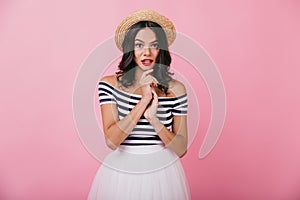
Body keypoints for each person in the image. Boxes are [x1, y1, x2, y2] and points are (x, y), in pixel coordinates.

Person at [88, 9, 191, 200]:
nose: (147, 52)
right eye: (139, 45)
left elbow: (181, 149)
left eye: (154, 45)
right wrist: (143, 101)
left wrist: (155, 120)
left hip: (163, 174)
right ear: (130, 49)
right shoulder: (109, 84)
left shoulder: (176, 89)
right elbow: (112, 141)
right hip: (122, 173)